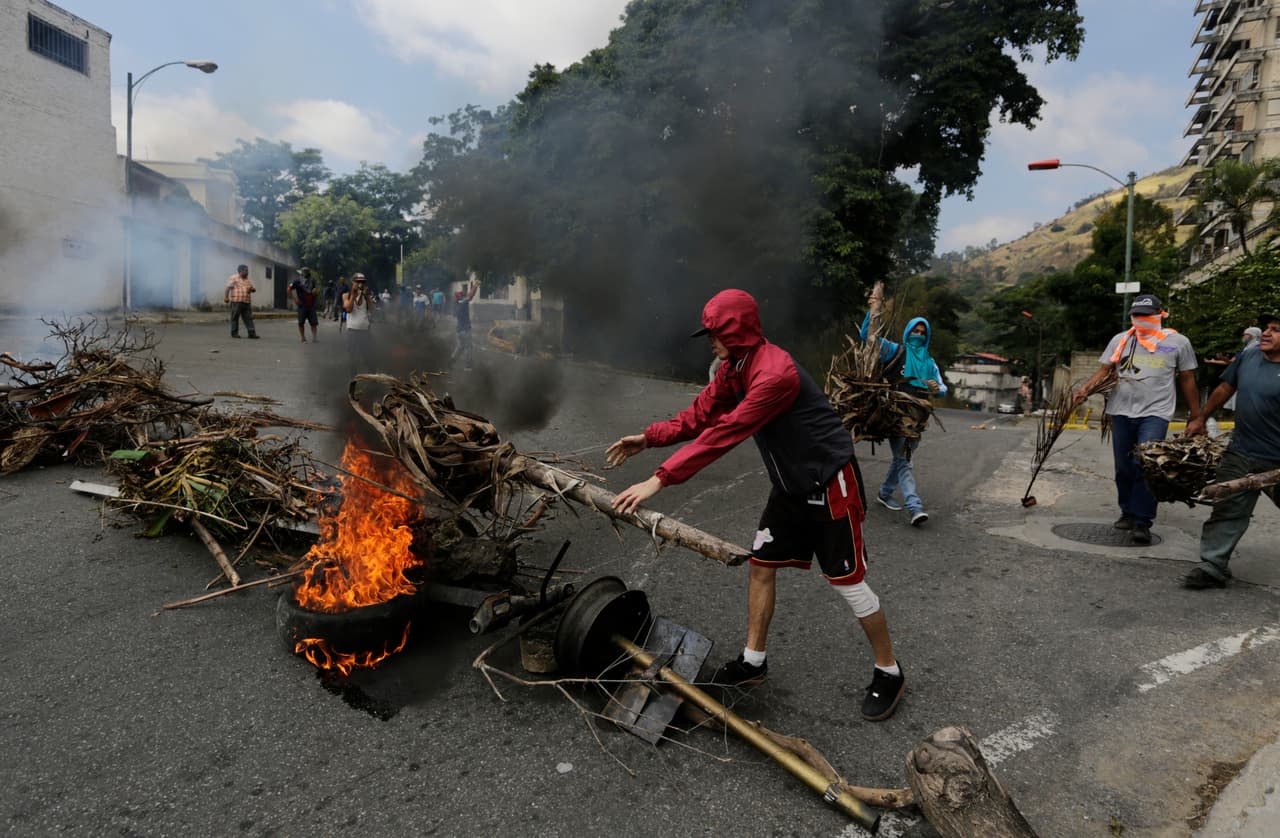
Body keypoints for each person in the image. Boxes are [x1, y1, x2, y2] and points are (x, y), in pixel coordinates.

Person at [605, 289, 907, 722]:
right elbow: (701, 415)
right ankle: (753, 662)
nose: (710, 342)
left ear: (738, 331)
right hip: (789, 488)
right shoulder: (736, 367)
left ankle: (889, 671)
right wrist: (649, 437)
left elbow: (725, 432)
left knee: (847, 583)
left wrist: (659, 479)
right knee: (762, 565)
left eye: (715, 333)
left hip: (828, 484)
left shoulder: (775, 375)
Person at [1074, 294, 1200, 545]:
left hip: (1155, 412)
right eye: (1137, 316)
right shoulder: (1121, 340)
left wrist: (1197, 415)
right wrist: (1085, 389)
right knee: (1123, 467)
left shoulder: (1177, 342)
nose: (1141, 320)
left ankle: (1142, 521)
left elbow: (1187, 377)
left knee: (1147, 465)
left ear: (1160, 315)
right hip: (1121, 411)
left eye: (1146, 315)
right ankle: (1127, 511)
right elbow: (1105, 370)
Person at [1182, 314, 1280, 589]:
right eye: (1267, 328)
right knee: (1227, 508)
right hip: (1242, 451)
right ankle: (1212, 565)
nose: (1267, 334)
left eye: (1276, 330)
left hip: (1278, 459)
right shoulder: (1249, 357)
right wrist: (1201, 417)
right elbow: (1226, 387)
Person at [859, 287, 946, 526]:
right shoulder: (895, 350)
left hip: (919, 417)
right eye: (915, 330)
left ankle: (885, 493)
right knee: (905, 459)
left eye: (922, 332)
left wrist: (936, 388)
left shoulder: (929, 361)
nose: (918, 334)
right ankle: (914, 505)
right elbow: (869, 336)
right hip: (896, 414)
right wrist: (873, 310)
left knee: (902, 459)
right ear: (908, 332)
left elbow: (941, 386)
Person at [343, 273, 375, 372]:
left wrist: (367, 296)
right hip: (352, 331)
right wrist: (353, 294)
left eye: (362, 282)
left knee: (368, 357)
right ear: (353, 282)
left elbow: (372, 311)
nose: (360, 284)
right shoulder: (346, 295)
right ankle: (353, 379)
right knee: (353, 358)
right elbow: (348, 309)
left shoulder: (366, 296)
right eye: (358, 281)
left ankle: (372, 378)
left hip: (365, 331)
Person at [224, 264, 258, 339]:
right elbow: (228, 288)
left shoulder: (247, 280)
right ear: (240, 271)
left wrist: (252, 290)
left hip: (246, 302)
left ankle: (251, 333)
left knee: (248, 318)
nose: (247, 272)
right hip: (236, 301)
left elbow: (253, 289)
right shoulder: (233, 278)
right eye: (246, 271)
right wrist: (226, 297)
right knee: (235, 318)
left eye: (247, 271)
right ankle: (234, 333)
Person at [451, 279, 480, 368]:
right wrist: (475, 286)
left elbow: (468, 296)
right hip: (466, 329)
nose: (463, 296)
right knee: (468, 347)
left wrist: (473, 287)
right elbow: (470, 296)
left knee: (460, 347)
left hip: (459, 330)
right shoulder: (462, 303)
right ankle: (468, 366)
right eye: (461, 295)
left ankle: (451, 361)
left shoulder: (455, 305)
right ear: (459, 297)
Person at [289, 269, 319, 343]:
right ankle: (303, 338)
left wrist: (315, 293)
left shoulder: (312, 280)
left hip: (311, 305)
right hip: (302, 305)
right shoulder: (297, 281)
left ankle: (314, 338)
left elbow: (315, 290)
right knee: (301, 322)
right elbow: (289, 289)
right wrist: (295, 299)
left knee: (314, 323)